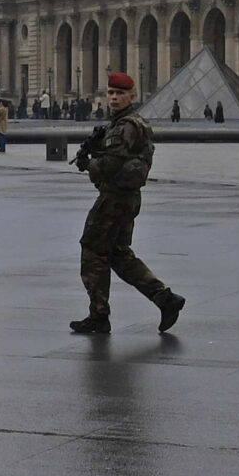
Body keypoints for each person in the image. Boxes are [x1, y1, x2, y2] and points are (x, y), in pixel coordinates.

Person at [70, 72, 184, 335]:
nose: (113, 97)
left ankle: (99, 315)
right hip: (127, 198)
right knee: (118, 254)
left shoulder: (125, 126)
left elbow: (111, 165)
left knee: (92, 251)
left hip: (114, 199)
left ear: (132, 96)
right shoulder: (132, 123)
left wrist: (89, 164)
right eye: (110, 92)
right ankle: (165, 299)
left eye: (119, 93)